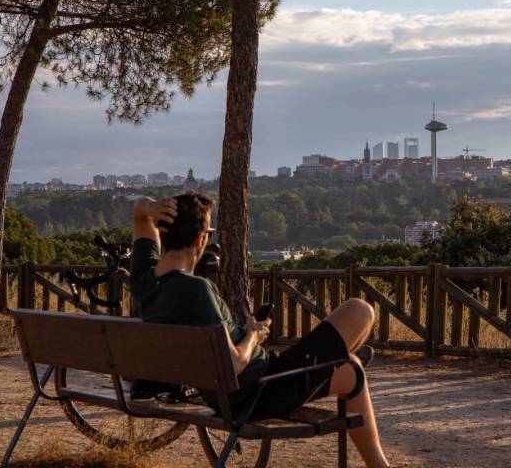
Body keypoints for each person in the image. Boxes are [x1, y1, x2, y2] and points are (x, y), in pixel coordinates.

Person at [130, 192, 390, 468]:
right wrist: (254, 334)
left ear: (162, 230)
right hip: (260, 391)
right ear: (200, 239)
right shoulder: (196, 290)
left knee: (350, 368)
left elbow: (138, 213)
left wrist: (149, 208)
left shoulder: (145, 280)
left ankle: (378, 460)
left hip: (225, 393)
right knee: (360, 311)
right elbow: (233, 363)